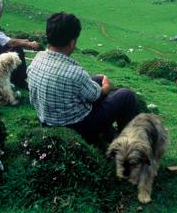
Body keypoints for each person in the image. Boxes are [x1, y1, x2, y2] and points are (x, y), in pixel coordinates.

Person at [27, 12, 137, 143]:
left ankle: (109, 133)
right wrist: (107, 87)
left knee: (96, 79)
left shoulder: (37, 59)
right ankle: (126, 146)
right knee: (126, 96)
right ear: (72, 43)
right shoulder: (74, 72)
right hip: (76, 126)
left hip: (47, 119)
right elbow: (97, 95)